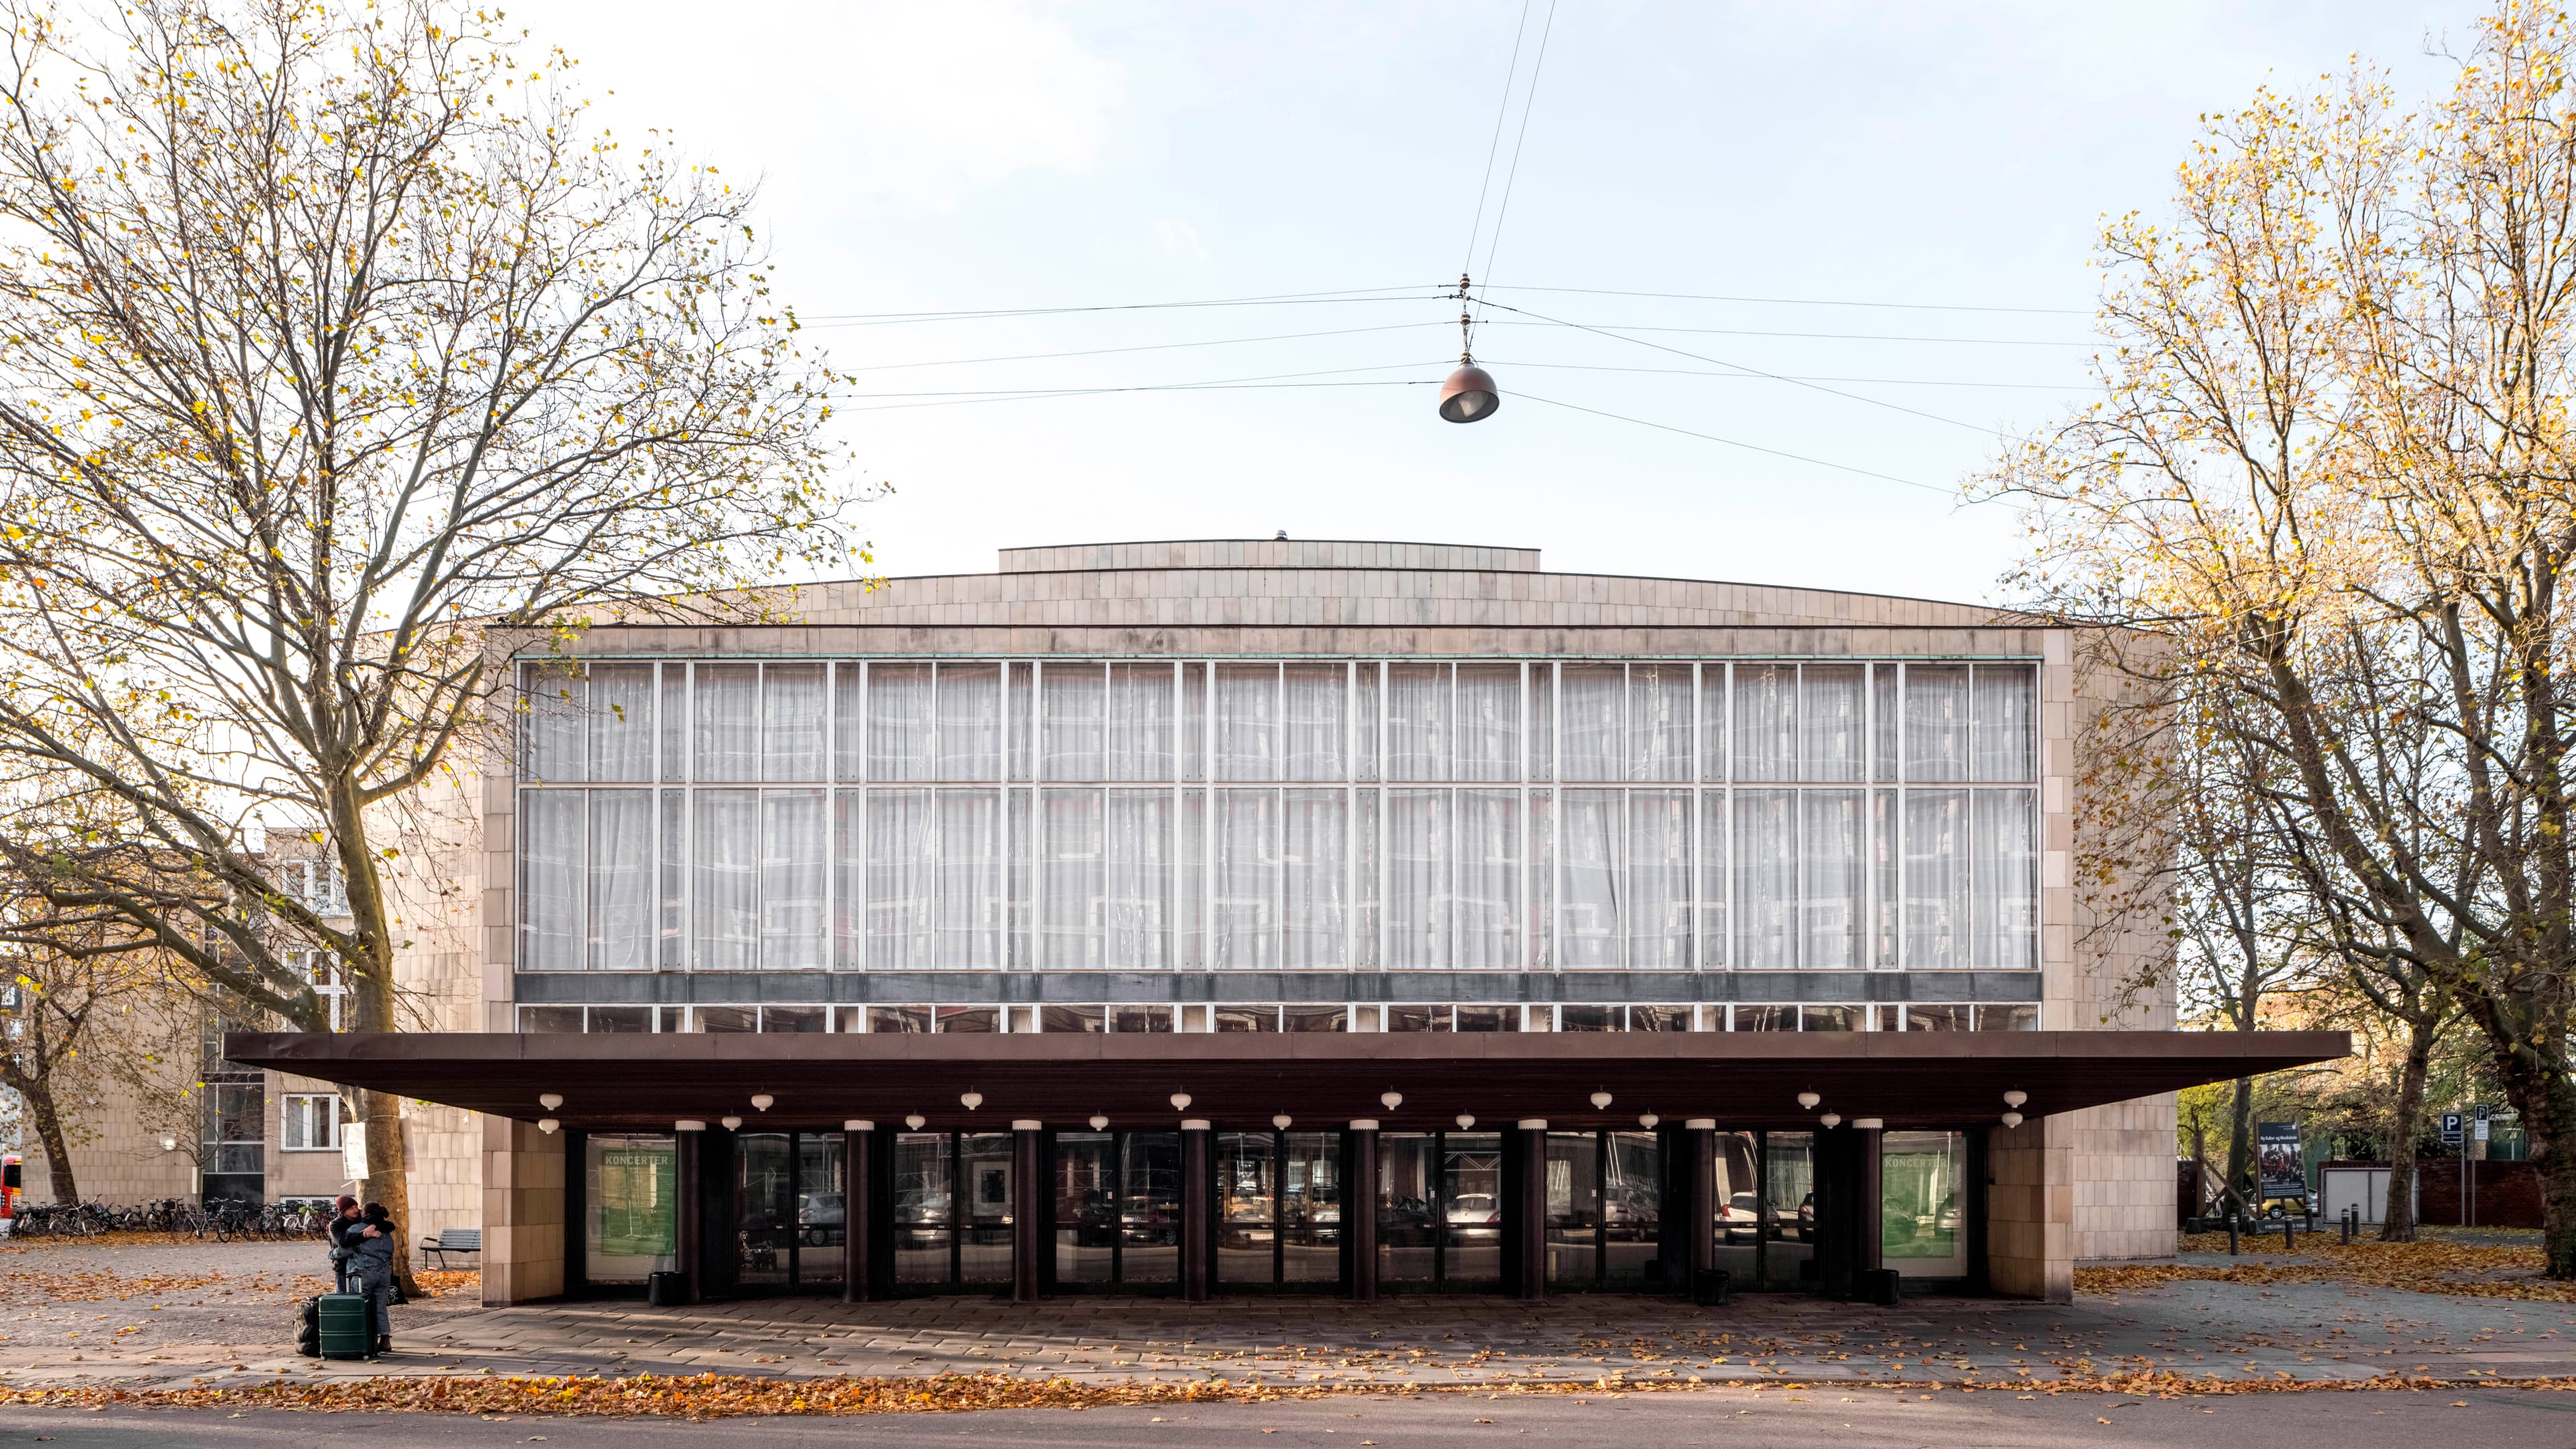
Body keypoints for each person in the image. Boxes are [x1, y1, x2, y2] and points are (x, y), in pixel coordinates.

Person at [352, 1201, 399, 1356]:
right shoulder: (386, 1231)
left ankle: (364, 1340)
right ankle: (385, 1339)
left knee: (360, 1306)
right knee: (380, 1306)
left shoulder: (357, 1229)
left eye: (362, 1211)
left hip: (363, 1273)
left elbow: (344, 1249)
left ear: (366, 1214)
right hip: (383, 1273)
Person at [327, 1195, 364, 1292]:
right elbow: (342, 1241)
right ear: (343, 1211)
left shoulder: (362, 1219)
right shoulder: (335, 1224)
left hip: (363, 1266)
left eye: (356, 1207)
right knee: (343, 1296)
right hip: (343, 1266)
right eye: (351, 1208)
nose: (356, 1210)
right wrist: (364, 1235)